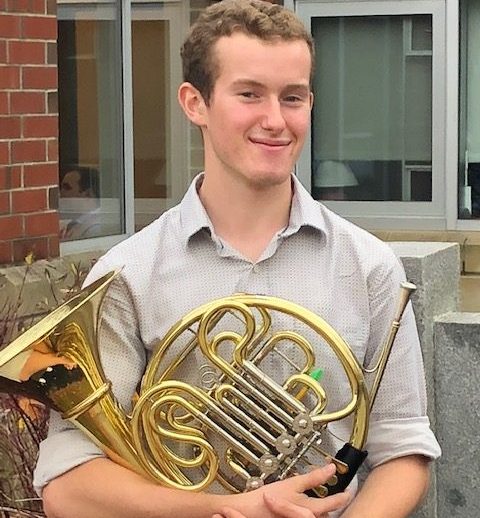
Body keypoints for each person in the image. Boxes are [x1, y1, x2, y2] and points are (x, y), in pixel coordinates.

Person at [34, 1, 441, 517]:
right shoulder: (126, 275)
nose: (275, 120)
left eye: (292, 97)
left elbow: (403, 451)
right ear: (194, 103)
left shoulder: (371, 268)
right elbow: (66, 487)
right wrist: (234, 507)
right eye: (249, 94)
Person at [59, 166, 102, 240]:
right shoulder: (75, 222)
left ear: (88, 195)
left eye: (66, 188)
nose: (60, 194)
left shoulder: (96, 228)